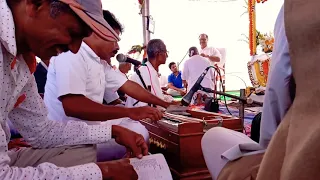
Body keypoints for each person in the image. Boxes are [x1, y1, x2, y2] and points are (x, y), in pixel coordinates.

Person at [1, 0, 147, 179]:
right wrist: (102, 172)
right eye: (73, 33)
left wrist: (113, 131)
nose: (75, 49)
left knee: (83, 151)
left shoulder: (21, 62)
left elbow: (41, 131)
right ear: (35, 4)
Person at [44, 10, 169, 161]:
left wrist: (164, 104)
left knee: (136, 128)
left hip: (89, 131)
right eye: (113, 39)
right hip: (69, 140)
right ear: (96, 32)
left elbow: (128, 85)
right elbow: (73, 106)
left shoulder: (99, 62)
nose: (117, 47)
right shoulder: (72, 54)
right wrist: (129, 112)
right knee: (138, 135)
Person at [201, 5, 296, 180]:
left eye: (203, 39)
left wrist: (268, 152)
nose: (202, 42)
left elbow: (279, 84)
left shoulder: (295, 9)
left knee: (212, 136)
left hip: (302, 145)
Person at [126, 39, 174, 107]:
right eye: (165, 52)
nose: (167, 55)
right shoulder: (149, 72)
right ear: (157, 53)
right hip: (138, 116)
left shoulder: (147, 69)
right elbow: (158, 104)